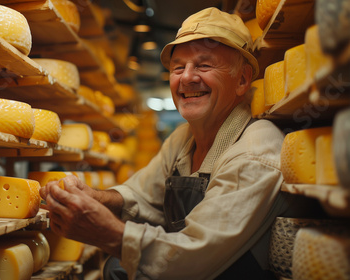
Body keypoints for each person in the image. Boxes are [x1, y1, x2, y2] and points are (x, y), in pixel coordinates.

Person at [40, 7, 291, 279]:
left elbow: (193, 257)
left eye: (204, 65)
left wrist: (109, 234)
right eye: (178, 67)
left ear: (242, 79)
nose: (187, 77)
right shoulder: (183, 139)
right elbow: (142, 196)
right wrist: (94, 197)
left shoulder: (255, 150)